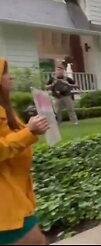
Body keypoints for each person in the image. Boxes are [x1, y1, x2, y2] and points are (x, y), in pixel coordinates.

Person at [0, 58, 50, 245]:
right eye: (5, 73)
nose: (10, 77)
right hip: (6, 202)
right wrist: (29, 132)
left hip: (17, 191)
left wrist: (35, 126)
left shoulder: (6, 108)